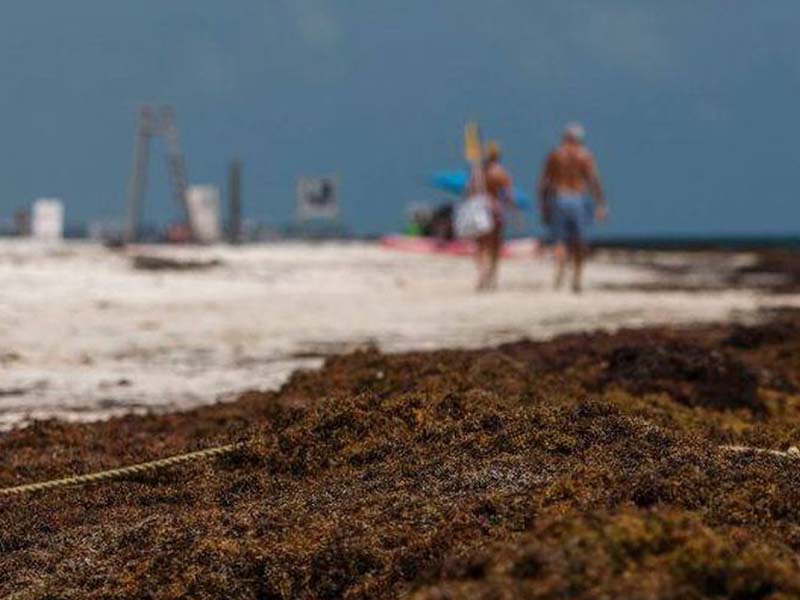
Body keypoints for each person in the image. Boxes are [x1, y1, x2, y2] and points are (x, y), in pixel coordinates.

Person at [537, 123, 608, 293]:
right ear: (580, 139)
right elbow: (593, 180)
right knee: (580, 240)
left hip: (559, 198)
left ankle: (560, 269)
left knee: (559, 240)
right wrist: (601, 203)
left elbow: (543, 183)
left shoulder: (555, 155)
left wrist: (544, 206)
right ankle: (577, 276)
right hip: (577, 198)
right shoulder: (585, 155)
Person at [468, 141, 520, 290]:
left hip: (482, 209)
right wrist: (516, 215)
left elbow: (470, 191)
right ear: (498, 156)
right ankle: (493, 277)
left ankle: (482, 274)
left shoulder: (479, 173)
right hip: (497, 210)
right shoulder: (502, 173)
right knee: (496, 246)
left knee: (481, 245)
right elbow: (509, 196)